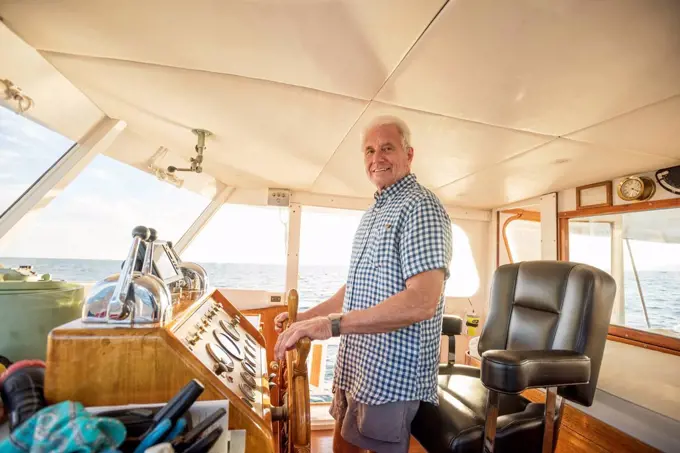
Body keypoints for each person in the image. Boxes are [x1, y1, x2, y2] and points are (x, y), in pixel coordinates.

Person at [274, 116, 452, 453]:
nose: (377, 158)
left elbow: (422, 301)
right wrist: (304, 320)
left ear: (409, 154)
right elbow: (352, 290)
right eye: (369, 150)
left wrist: (332, 325)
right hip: (357, 365)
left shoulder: (421, 206)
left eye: (387, 148)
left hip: (391, 375)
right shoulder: (374, 213)